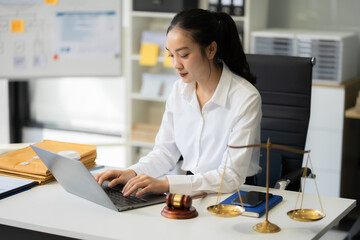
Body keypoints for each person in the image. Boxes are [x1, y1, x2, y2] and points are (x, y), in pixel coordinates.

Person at [95, 8, 262, 197]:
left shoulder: (245, 98)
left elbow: (231, 177)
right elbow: (165, 153)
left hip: (233, 195)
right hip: (189, 190)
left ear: (211, 50)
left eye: (183, 55)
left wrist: (168, 184)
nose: (175, 64)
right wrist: (132, 173)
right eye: (171, 55)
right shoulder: (179, 90)